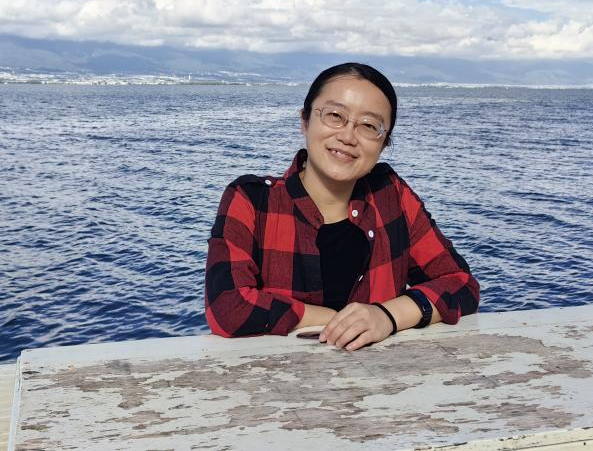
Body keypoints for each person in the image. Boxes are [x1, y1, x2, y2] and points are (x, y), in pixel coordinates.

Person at [205, 62, 479, 351]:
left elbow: (461, 284)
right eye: (335, 115)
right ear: (304, 121)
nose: (348, 137)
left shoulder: (391, 195)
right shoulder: (252, 200)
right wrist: (338, 321)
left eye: (369, 126)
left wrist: (386, 316)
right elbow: (227, 307)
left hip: (382, 373)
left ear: (384, 143)